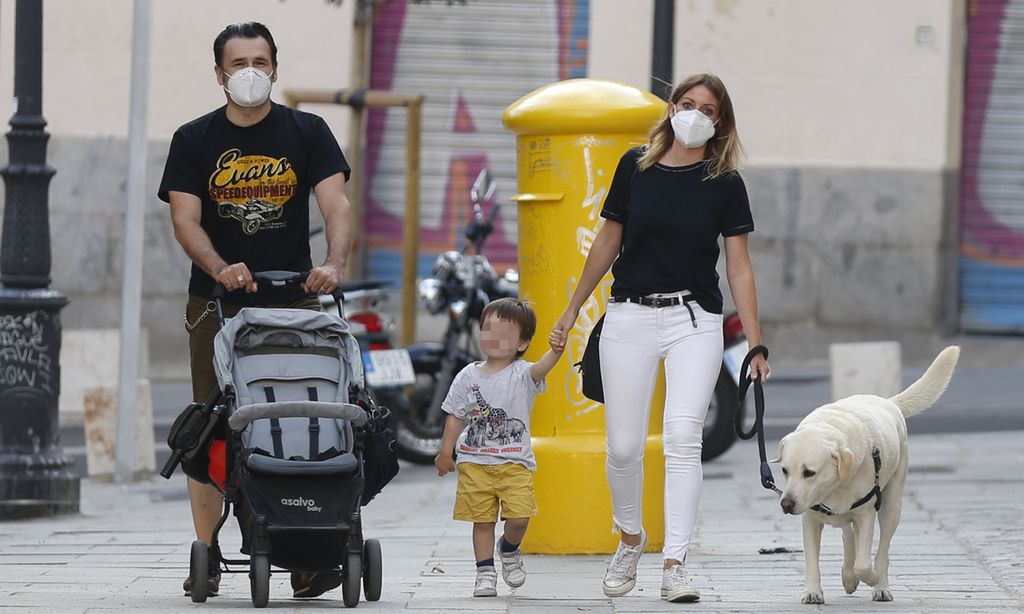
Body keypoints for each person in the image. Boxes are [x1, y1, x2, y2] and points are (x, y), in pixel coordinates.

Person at [549, 72, 770, 604]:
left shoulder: (725, 182)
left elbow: (739, 268)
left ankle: (675, 563)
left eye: (709, 109)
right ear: (672, 107)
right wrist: (574, 306)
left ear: (721, 122)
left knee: (682, 439)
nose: (696, 114)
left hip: (694, 321)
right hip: (628, 316)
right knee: (623, 447)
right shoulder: (635, 166)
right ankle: (630, 537)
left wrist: (756, 344)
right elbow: (608, 239)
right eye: (688, 103)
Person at [157, 22, 352, 599]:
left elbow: (336, 203)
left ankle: (308, 546)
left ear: (274, 67)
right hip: (216, 304)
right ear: (219, 73)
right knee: (209, 426)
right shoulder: (193, 140)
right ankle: (209, 550)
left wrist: (334, 262)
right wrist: (220, 268)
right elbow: (184, 220)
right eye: (237, 61)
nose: (249, 71)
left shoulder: (307, 131)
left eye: (260, 60)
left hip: (294, 299)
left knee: (301, 417)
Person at [434, 298, 564, 597]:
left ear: (522, 343)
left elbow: (542, 368)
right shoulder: (467, 375)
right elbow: (455, 415)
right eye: (488, 329)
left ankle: (508, 548)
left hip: (515, 463)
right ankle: (484, 572)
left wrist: (555, 351)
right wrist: (445, 452)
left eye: (505, 332)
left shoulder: (522, 374)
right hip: (474, 463)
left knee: (519, 519)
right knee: (482, 521)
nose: (494, 337)